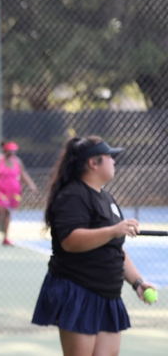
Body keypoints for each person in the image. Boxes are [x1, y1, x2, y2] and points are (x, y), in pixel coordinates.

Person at [31, 136, 155, 356]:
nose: (114, 162)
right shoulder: (72, 196)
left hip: (108, 294)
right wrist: (113, 230)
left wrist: (138, 282)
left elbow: (114, 248)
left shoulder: (107, 198)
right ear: (93, 163)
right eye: (109, 157)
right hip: (78, 292)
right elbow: (70, 241)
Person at [0, 140, 38, 245]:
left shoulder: (17, 162)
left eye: (14, 151)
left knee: (7, 213)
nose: (12, 153)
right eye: (10, 151)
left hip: (12, 193)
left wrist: (32, 185)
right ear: (5, 151)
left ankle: (5, 237)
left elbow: (23, 174)